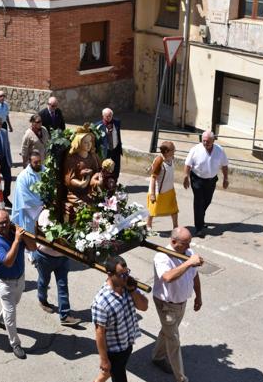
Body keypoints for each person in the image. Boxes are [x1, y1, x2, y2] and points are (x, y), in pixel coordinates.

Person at [151, 227, 204, 381]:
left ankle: (157, 357)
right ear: (173, 241)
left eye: (189, 243)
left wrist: (198, 296)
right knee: (173, 340)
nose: (188, 247)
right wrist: (188, 263)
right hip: (166, 304)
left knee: (167, 332)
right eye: (185, 244)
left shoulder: (189, 253)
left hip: (181, 302)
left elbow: (195, 276)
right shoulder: (161, 256)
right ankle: (181, 377)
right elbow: (167, 277)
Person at [0, 209, 37, 359]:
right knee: (11, 313)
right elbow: (8, 262)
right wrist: (16, 240)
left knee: (14, 303)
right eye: (1, 223)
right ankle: (15, 343)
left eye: (6, 221)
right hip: (3, 281)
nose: (4, 225)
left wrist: (24, 234)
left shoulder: (14, 232)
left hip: (19, 277)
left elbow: (33, 247)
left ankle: (0, 318)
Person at [91, 255, 148, 382]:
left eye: (127, 272)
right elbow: (100, 333)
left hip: (127, 344)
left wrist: (133, 290)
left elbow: (144, 307)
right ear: (110, 274)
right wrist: (104, 360)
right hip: (114, 351)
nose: (125, 277)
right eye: (121, 275)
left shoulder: (128, 286)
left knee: (108, 373)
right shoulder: (101, 302)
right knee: (118, 375)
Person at [33, 209, 81, 326]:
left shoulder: (70, 213)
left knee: (63, 285)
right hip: (45, 256)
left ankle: (65, 315)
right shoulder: (46, 214)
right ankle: (42, 299)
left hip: (63, 257)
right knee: (44, 281)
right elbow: (47, 236)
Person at [183, 130, 229, 237]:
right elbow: (188, 164)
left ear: (213, 140)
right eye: (203, 141)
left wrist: (226, 178)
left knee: (207, 200)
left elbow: (225, 165)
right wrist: (186, 177)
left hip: (211, 180)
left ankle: (200, 218)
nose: (205, 143)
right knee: (199, 202)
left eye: (207, 141)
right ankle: (199, 228)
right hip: (197, 179)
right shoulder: (195, 149)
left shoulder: (219, 150)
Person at [147, 141, 179, 230]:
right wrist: (152, 194)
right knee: (153, 210)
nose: (175, 151)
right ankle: (148, 224)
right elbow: (153, 178)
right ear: (166, 152)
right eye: (173, 149)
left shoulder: (171, 157)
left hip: (169, 189)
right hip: (158, 191)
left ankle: (175, 226)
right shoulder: (159, 161)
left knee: (174, 209)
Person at [11, 151, 44, 235]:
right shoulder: (23, 177)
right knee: (30, 235)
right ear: (29, 162)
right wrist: (41, 205)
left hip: (44, 209)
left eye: (40, 161)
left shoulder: (45, 170)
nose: (38, 164)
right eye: (35, 162)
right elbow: (24, 197)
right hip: (29, 212)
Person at [96, 108, 122, 184]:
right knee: (105, 168)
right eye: (107, 116)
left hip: (115, 149)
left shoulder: (117, 122)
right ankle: (104, 183)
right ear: (103, 116)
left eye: (110, 116)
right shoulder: (98, 126)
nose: (109, 117)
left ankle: (114, 183)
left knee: (116, 167)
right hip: (105, 151)